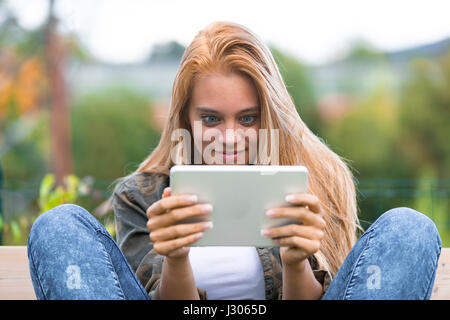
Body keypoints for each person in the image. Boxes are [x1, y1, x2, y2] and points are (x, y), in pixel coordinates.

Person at [27, 21, 442, 300]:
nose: (229, 137)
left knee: (410, 228)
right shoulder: (143, 196)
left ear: (270, 115)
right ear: (186, 118)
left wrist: (297, 263)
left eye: (248, 118)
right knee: (58, 225)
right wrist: (176, 258)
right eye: (211, 118)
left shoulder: (316, 179)